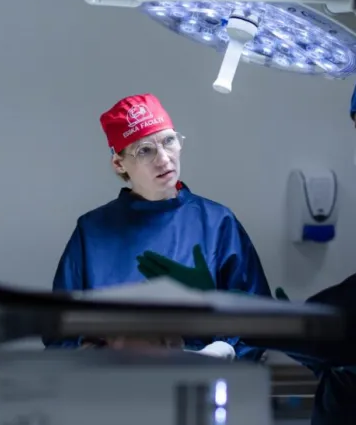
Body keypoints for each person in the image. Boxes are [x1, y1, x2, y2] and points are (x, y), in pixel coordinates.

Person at [45, 93, 271, 359]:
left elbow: (259, 319)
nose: (163, 159)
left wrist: (224, 351)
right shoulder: (92, 232)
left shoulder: (217, 224)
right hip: (113, 389)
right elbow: (58, 331)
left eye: (168, 141)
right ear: (119, 164)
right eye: (145, 150)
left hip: (201, 385)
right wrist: (99, 356)